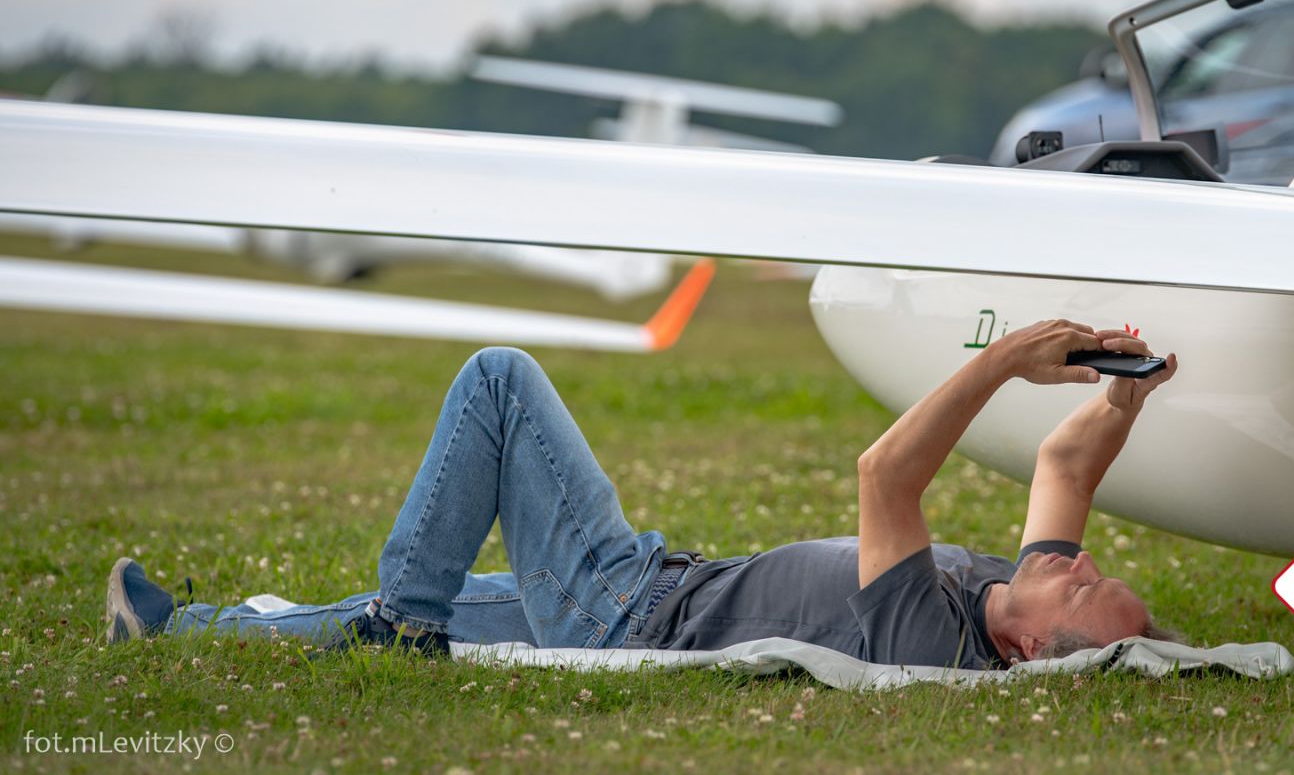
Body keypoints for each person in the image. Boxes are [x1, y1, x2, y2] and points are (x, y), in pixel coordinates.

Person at [105, 319, 1180, 668]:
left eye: (1084, 589)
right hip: (658, 591)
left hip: (627, 611)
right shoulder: (1013, 593)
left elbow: (885, 473)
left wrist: (1002, 363)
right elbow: (1064, 468)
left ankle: (405, 624)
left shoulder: (930, 636)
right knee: (391, 615)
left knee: (499, 380)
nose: (1082, 563)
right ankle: (175, 631)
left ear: (1028, 651)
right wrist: (1126, 391)